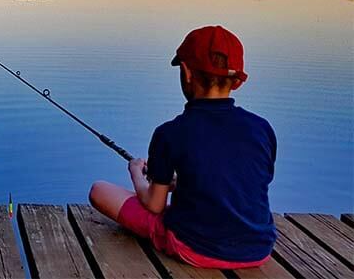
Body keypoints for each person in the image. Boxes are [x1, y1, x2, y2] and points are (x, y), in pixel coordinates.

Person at [89, 25, 277, 269]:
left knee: (99, 190)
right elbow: (244, 182)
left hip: (194, 248)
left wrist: (137, 173)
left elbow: (154, 205)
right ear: (236, 81)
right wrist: (182, 183)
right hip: (258, 250)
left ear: (187, 72)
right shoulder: (262, 129)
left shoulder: (170, 133)